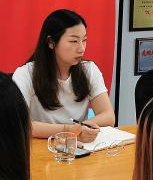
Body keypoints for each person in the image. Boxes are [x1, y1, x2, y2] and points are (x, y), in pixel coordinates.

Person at [12, 9, 114, 143]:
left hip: (77, 147)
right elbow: (22, 125)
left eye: (84, 40)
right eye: (73, 41)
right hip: (41, 146)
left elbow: (108, 116)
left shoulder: (89, 70)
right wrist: (71, 130)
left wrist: (82, 128)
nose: (81, 48)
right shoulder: (25, 74)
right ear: (51, 42)